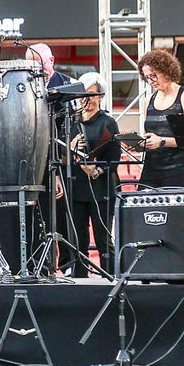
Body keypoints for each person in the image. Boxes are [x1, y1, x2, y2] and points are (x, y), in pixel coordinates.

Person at [60, 72, 121, 278]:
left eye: (91, 95)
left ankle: (109, 277)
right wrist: (70, 147)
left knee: (103, 237)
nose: (86, 99)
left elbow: (114, 159)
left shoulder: (107, 122)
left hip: (100, 188)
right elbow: (61, 157)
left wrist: (96, 170)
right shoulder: (71, 122)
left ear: (100, 96)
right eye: (83, 95)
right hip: (76, 187)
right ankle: (79, 276)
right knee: (78, 238)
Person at [137, 48, 184, 188]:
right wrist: (139, 143)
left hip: (179, 168)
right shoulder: (149, 100)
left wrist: (162, 141)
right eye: (147, 77)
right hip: (151, 167)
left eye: (154, 75)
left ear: (166, 71)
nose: (151, 81)